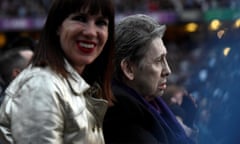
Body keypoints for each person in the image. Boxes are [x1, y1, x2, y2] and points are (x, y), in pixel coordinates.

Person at [0, 0, 115, 143]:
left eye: (101, 23)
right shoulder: (41, 85)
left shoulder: (72, 84)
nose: (91, 32)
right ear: (57, 27)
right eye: (80, 19)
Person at [103, 14, 194, 144]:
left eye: (165, 59)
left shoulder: (150, 101)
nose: (168, 71)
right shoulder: (120, 114)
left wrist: (179, 119)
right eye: (158, 61)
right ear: (128, 69)